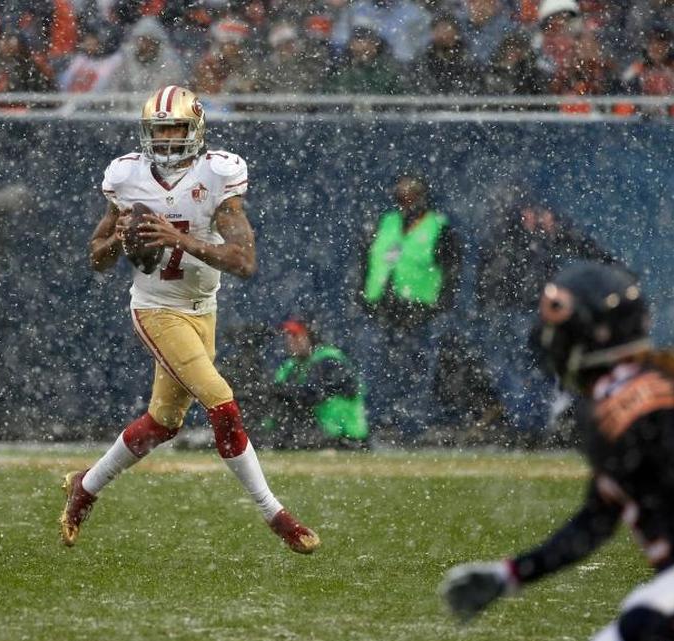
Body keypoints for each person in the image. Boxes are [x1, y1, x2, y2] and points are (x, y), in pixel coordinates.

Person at [59, 85, 320, 555]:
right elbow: (96, 259)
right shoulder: (127, 177)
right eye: (158, 131)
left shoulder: (218, 174)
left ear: (196, 128)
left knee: (163, 421)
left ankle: (86, 486)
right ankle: (275, 513)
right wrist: (119, 238)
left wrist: (177, 240)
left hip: (204, 308)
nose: (166, 140)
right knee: (221, 403)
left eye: (176, 129)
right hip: (157, 308)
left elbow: (243, 261)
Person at [440, 262, 674, 639]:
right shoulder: (629, 391)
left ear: (591, 334)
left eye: (559, 328)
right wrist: (512, 574)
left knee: (643, 621)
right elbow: (596, 519)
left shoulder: (625, 402)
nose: (550, 338)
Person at [475, 194, 616, 443]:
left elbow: (582, 248)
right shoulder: (516, 238)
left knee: (532, 369)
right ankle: (530, 425)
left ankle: (533, 425)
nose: (532, 218)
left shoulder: (533, 239)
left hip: (523, 311)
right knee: (522, 369)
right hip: (514, 311)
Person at [358, 172, 460, 440]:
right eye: (401, 198)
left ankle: (409, 429)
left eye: (411, 197)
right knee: (377, 371)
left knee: (415, 373)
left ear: (423, 199)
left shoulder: (438, 227)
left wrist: (437, 307)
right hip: (382, 310)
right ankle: (377, 425)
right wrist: (364, 299)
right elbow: (367, 261)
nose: (406, 204)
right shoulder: (387, 222)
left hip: (418, 313)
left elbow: (451, 271)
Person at [264, 319, 368, 450]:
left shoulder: (330, 359)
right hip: (316, 435)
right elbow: (275, 396)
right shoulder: (290, 366)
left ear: (310, 337)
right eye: (288, 336)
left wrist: (278, 393)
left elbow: (312, 395)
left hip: (346, 437)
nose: (290, 341)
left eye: (296, 336)